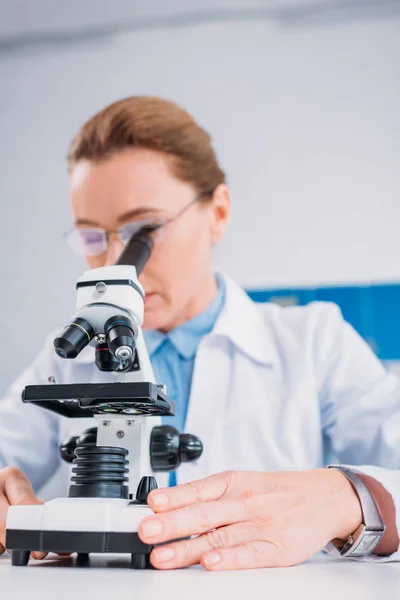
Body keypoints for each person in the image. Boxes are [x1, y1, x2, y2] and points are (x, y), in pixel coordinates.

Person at [0, 96, 399, 571]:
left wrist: (349, 498)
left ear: (219, 212)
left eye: (144, 231)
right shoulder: (65, 353)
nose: (112, 263)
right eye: (92, 236)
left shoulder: (314, 339)